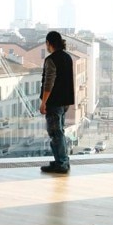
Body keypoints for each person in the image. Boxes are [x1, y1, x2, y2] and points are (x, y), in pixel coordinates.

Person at [39, 31, 76, 174]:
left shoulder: (51, 60)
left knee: (55, 133)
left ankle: (61, 163)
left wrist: (43, 102)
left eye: (46, 44)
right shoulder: (67, 57)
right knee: (59, 131)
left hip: (54, 102)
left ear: (49, 43)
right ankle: (61, 161)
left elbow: (49, 82)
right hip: (65, 101)